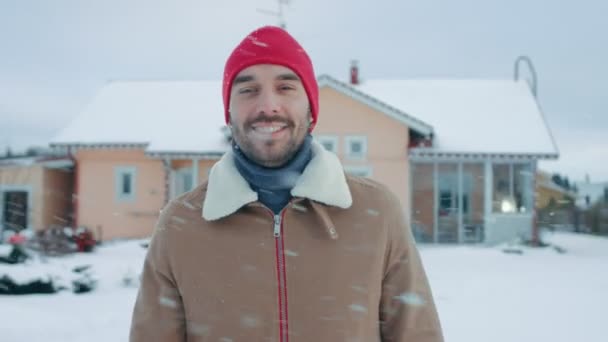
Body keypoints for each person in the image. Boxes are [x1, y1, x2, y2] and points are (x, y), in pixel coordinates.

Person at [130, 25, 444, 342]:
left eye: (285, 87)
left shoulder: (376, 214)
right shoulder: (181, 224)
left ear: (311, 109)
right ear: (229, 111)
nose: (268, 106)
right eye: (248, 90)